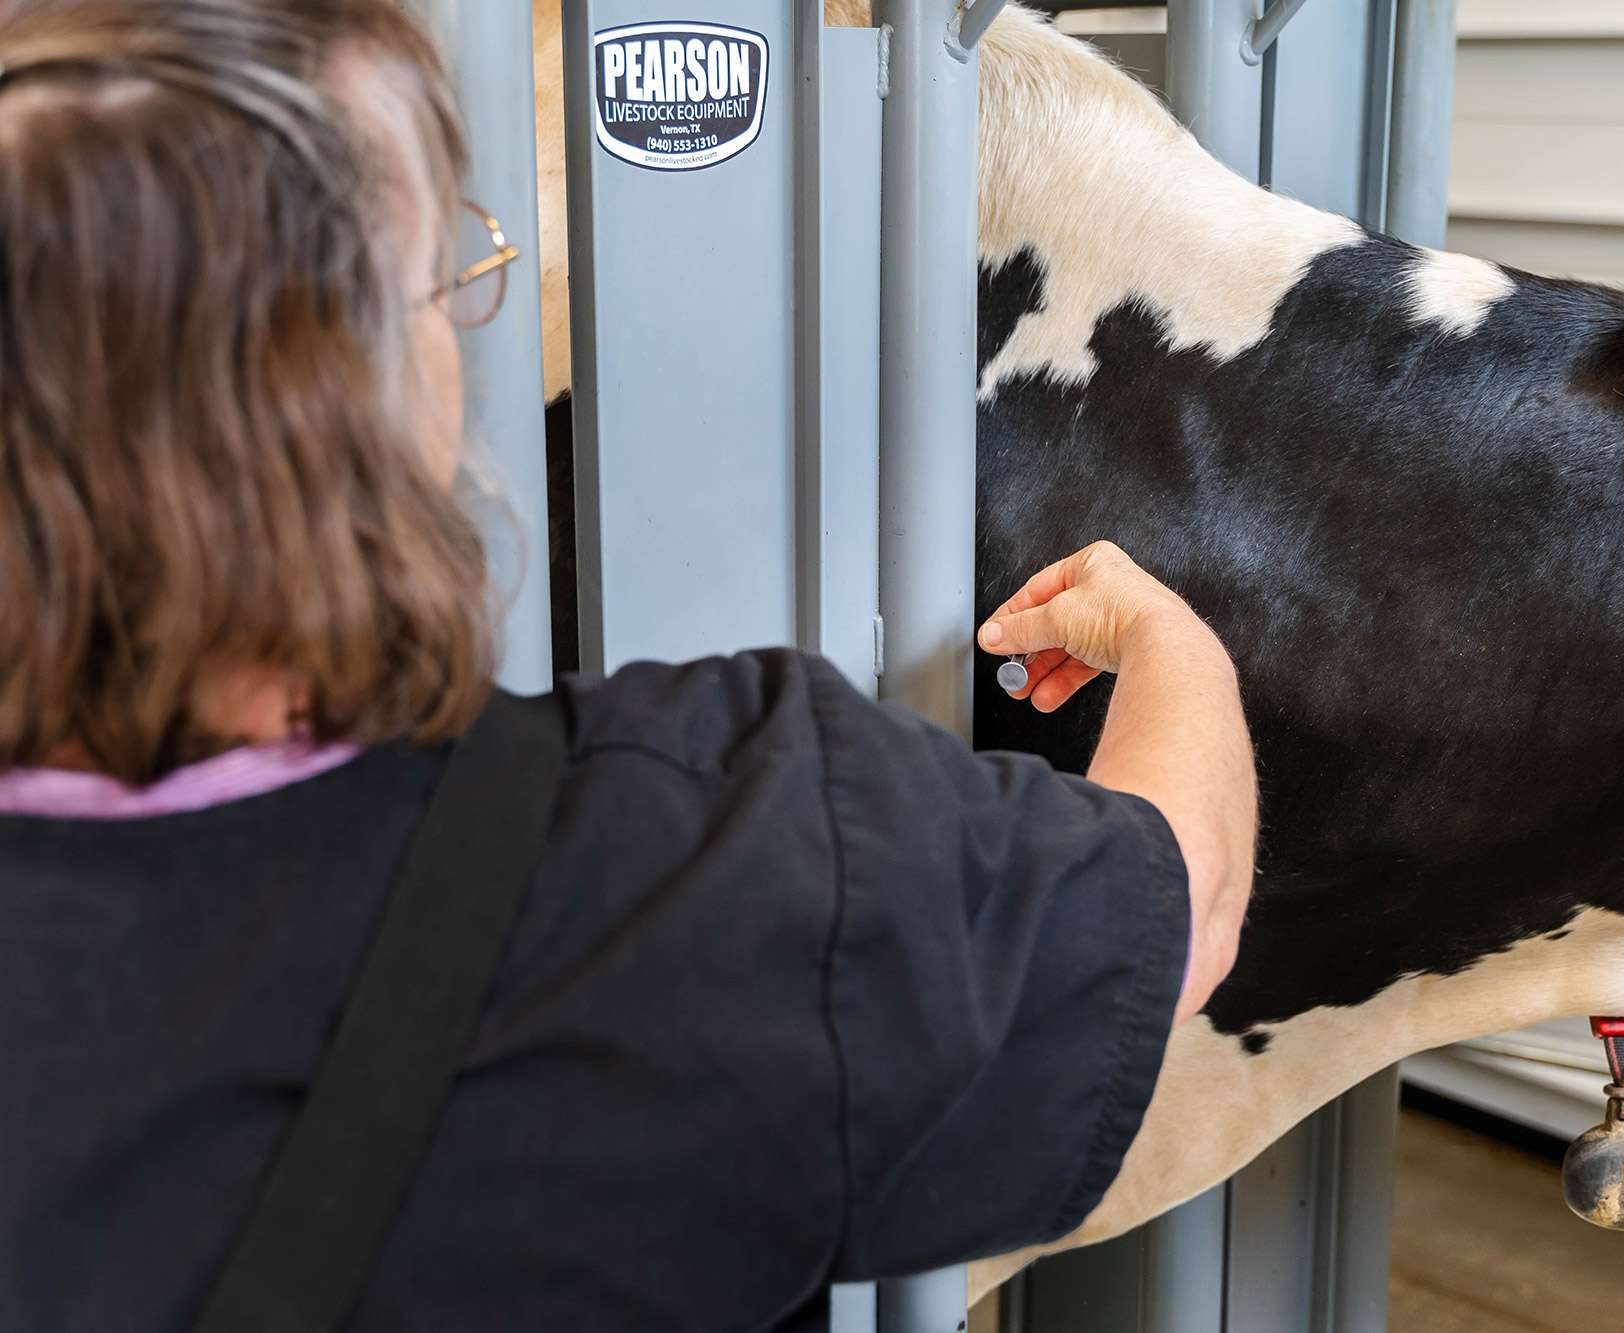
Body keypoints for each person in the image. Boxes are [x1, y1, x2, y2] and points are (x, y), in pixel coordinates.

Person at [0, 2, 1256, 1331]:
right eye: (447, 273)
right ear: (352, 388)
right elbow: (1185, 894)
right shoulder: (727, 863)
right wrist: (1177, 645)